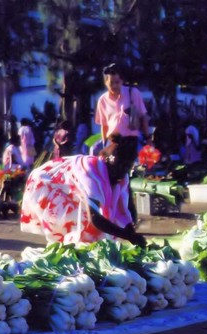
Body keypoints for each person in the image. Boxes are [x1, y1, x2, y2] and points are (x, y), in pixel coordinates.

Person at [20, 132, 146, 247]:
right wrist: (128, 236)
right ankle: (70, 245)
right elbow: (94, 216)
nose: (121, 171)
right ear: (107, 160)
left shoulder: (121, 175)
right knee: (78, 221)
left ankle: (81, 246)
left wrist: (131, 232)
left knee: (93, 229)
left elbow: (124, 209)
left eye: (126, 167)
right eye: (119, 167)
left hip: (68, 188)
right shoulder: (91, 172)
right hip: (48, 184)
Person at [94, 63, 152, 222]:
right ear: (106, 83)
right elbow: (104, 126)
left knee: (116, 177)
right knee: (117, 179)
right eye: (111, 82)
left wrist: (148, 140)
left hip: (129, 142)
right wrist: (105, 147)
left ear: (122, 81)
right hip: (113, 144)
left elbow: (143, 118)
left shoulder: (133, 93)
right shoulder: (102, 101)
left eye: (117, 82)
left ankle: (119, 217)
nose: (114, 86)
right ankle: (127, 218)